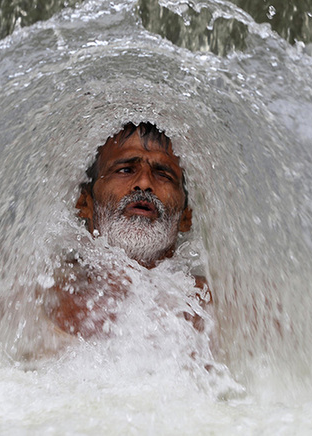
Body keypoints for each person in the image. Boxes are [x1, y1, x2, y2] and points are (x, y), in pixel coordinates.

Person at [45, 122, 211, 338]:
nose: (143, 182)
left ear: (185, 217)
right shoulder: (38, 300)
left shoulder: (219, 311)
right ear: (84, 202)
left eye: (163, 174)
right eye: (125, 170)